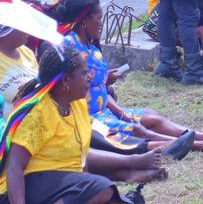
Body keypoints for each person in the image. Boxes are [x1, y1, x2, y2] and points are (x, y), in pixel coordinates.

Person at [52, 0, 203, 153]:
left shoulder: (92, 48)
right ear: (84, 20)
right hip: (87, 117)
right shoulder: (70, 47)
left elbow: (98, 88)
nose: (102, 23)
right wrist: (117, 110)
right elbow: (69, 89)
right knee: (138, 129)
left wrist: (117, 106)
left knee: (150, 115)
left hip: (105, 111)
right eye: (98, 18)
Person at [0, 47, 154, 204]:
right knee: (101, 187)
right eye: (84, 73)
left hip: (60, 185)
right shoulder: (38, 114)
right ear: (66, 80)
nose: (90, 77)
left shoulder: (77, 104)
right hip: (24, 189)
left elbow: (81, 160)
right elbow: (14, 167)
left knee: (113, 198)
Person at [0, 26, 37, 119]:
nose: (28, 30)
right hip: (6, 125)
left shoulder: (27, 52)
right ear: (7, 28)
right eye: (21, 25)